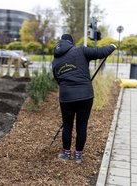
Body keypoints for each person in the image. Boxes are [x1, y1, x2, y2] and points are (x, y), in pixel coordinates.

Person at [52, 34, 116, 163]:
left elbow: (58, 79)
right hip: (85, 96)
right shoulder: (80, 50)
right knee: (82, 125)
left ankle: (65, 154)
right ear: (71, 43)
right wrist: (112, 46)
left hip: (66, 97)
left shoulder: (55, 61)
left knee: (68, 125)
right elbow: (100, 52)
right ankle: (78, 156)